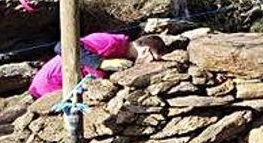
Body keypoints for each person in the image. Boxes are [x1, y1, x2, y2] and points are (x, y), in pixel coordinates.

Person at [28, 33, 167, 99]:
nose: (151, 63)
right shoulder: (109, 41)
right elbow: (63, 46)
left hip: (66, 87)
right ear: (146, 50)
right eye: (153, 59)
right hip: (50, 84)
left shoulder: (123, 57)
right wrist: (101, 63)